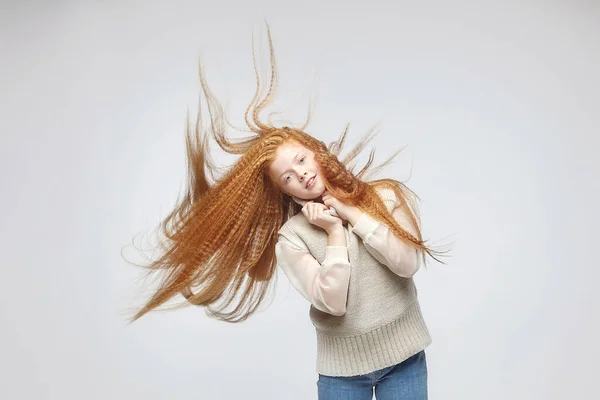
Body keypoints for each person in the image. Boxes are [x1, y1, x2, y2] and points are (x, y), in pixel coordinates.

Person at [125, 25, 448, 400]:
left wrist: (351, 212)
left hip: (405, 358)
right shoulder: (292, 238)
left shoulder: (386, 195)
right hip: (342, 374)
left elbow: (406, 264)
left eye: (301, 159)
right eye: (288, 176)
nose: (303, 174)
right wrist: (336, 234)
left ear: (316, 150)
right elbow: (333, 302)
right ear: (284, 191)